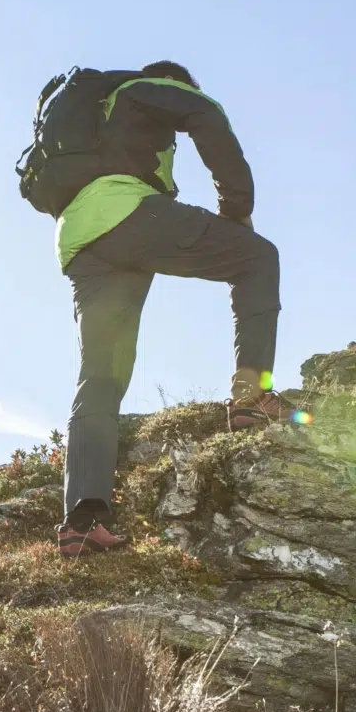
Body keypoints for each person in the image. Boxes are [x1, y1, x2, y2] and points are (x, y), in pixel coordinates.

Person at [56, 62, 283, 557]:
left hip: (80, 240)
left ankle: (84, 519)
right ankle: (252, 397)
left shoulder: (101, 115)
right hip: (130, 216)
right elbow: (206, 114)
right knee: (258, 258)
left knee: (99, 376)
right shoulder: (146, 88)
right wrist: (236, 208)